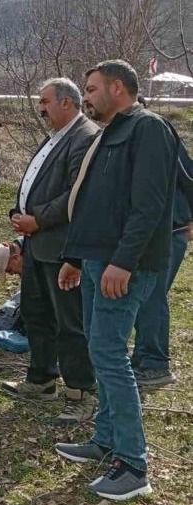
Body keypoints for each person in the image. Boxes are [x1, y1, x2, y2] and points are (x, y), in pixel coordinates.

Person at [55, 60, 179, 501]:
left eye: (90, 89)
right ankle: (105, 439)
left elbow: (149, 206)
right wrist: (75, 257)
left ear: (117, 87)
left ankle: (132, 463)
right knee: (99, 347)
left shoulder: (148, 129)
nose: (85, 97)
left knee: (108, 354)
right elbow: (93, 201)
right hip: (95, 261)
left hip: (124, 267)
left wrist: (123, 262)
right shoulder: (112, 130)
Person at [0, 78, 100, 425]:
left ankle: (80, 392)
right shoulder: (56, 135)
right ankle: (42, 380)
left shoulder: (84, 136)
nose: (40, 108)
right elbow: (36, 181)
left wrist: (37, 220)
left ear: (67, 103)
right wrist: (17, 212)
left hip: (62, 248)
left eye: (45, 101)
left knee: (69, 322)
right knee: (37, 314)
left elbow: (77, 194)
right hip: (37, 245)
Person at [131, 95, 193, 387]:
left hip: (170, 230)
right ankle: (143, 356)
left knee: (152, 296)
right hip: (149, 233)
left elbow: (188, 176)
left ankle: (155, 364)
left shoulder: (159, 132)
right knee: (144, 296)